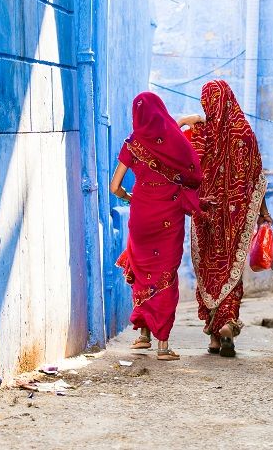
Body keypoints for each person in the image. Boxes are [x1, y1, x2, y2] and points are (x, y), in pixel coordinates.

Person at [178, 80, 272, 357]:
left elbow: (184, 162)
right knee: (231, 270)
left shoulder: (202, 134)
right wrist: (263, 212)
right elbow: (257, 179)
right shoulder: (245, 134)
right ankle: (227, 324)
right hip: (237, 217)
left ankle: (214, 337)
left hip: (205, 213)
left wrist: (193, 119)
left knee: (209, 270)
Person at [110, 92, 202, 361]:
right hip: (168, 215)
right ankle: (163, 345)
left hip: (141, 214)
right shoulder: (173, 138)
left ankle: (143, 336)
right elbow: (193, 173)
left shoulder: (132, 144)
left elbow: (115, 187)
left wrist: (130, 197)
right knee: (165, 273)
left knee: (142, 271)